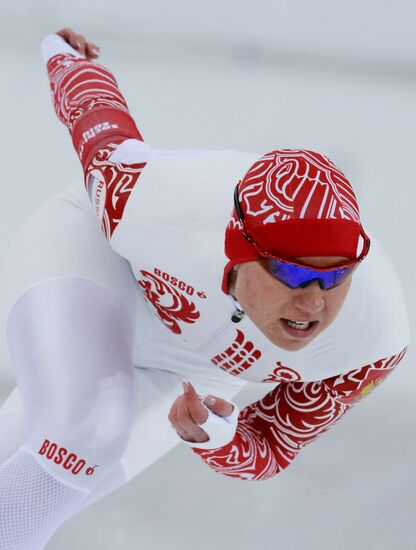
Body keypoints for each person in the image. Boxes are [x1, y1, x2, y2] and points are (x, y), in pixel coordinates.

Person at [0, 27, 409, 549]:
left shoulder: (372, 339)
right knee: (86, 434)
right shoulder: (152, 204)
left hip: (188, 370)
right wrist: (63, 56)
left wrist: (217, 436)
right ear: (239, 251)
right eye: (291, 273)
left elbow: (272, 447)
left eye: (335, 276)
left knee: (47, 477)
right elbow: (99, 126)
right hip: (100, 263)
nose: (314, 303)